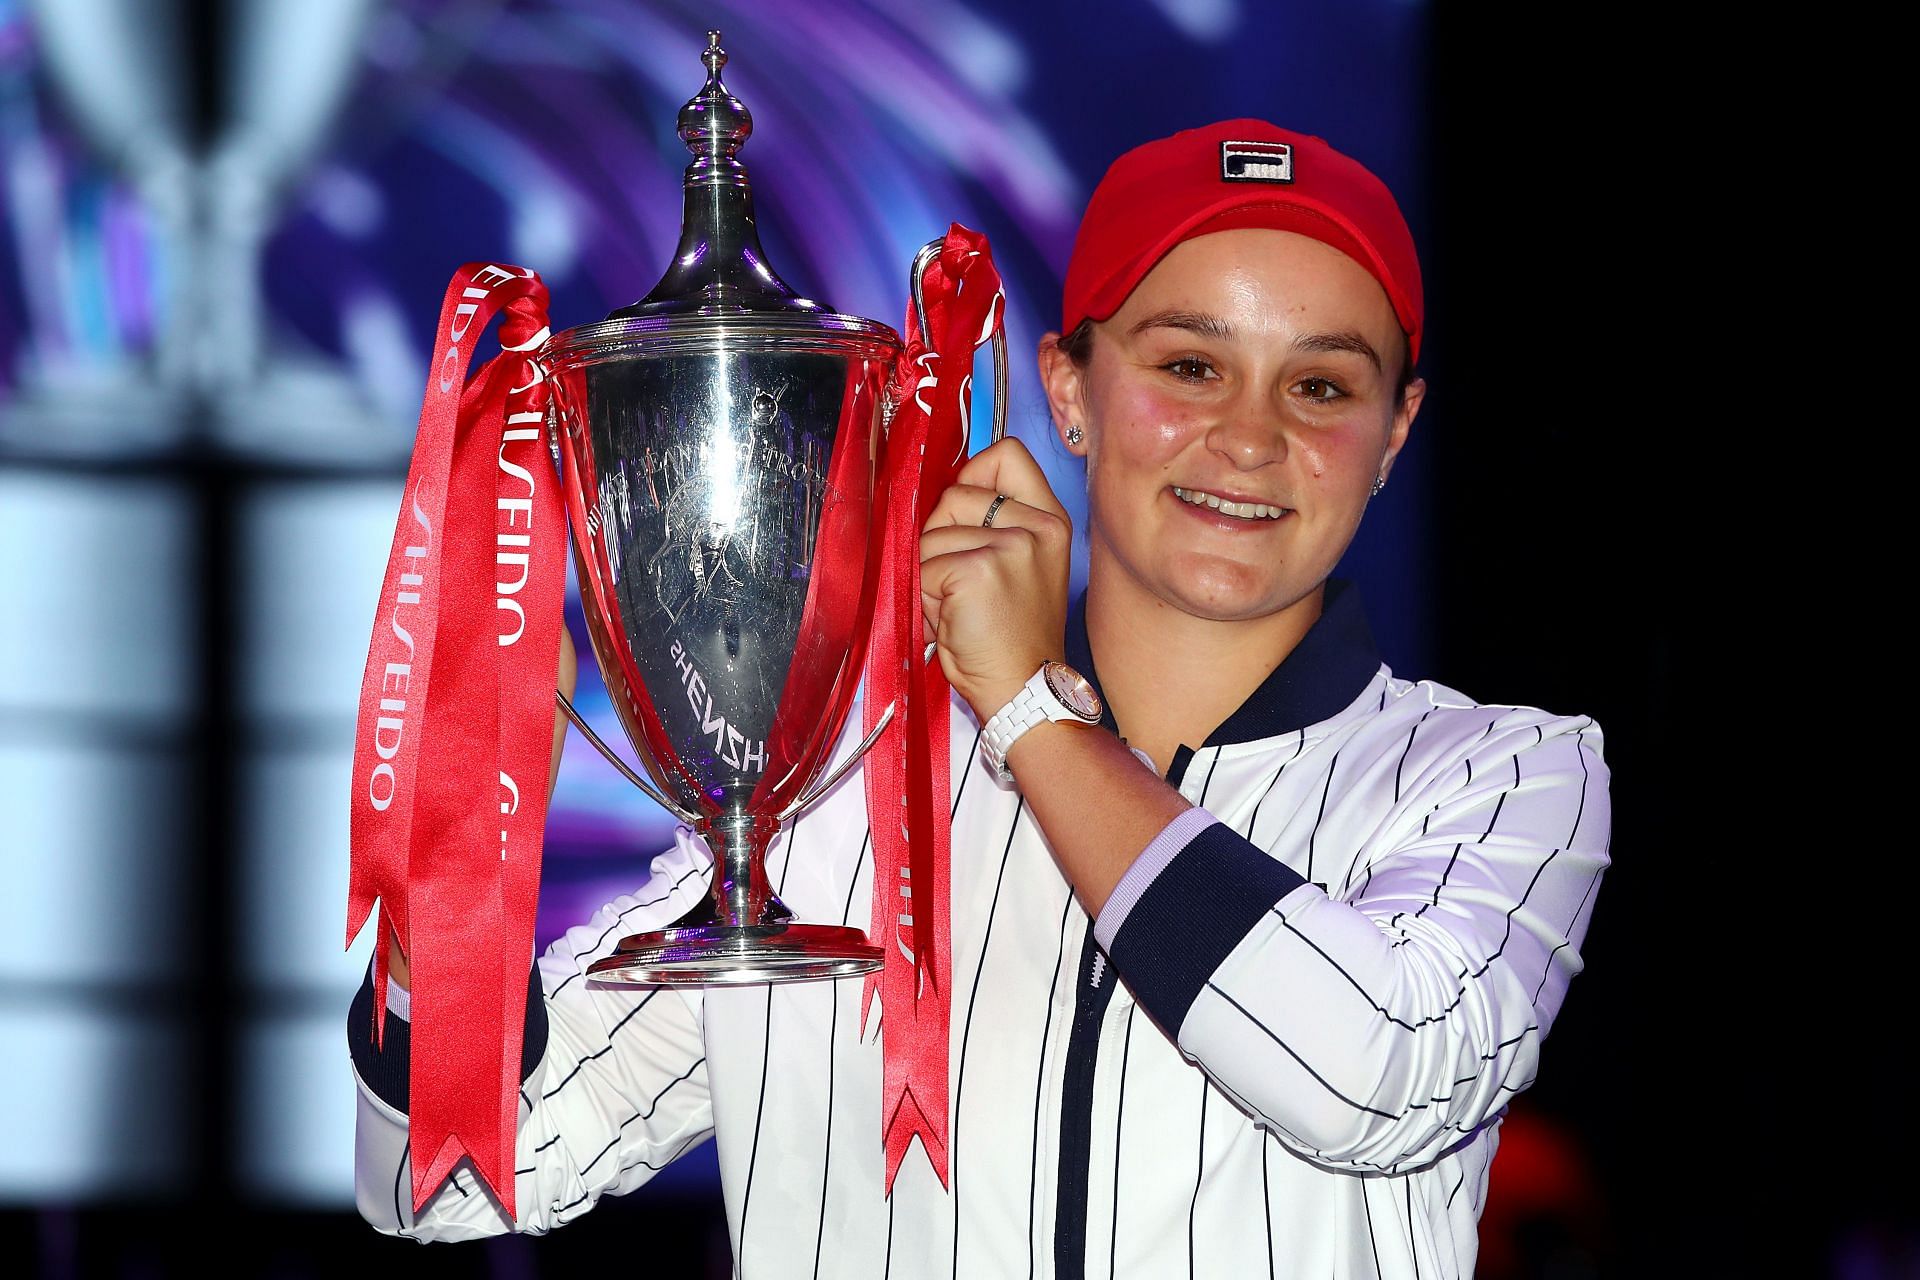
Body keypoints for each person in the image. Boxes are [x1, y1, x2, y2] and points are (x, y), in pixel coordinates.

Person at [350, 118, 1611, 1279]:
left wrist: (1025, 711)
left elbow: (1374, 1077)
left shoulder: (1507, 773)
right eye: (1188, 363)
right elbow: (444, 1178)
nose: (1249, 435)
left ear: (1395, 433)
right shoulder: (852, 788)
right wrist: (456, 853)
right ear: (1068, 388)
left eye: (1323, 385)